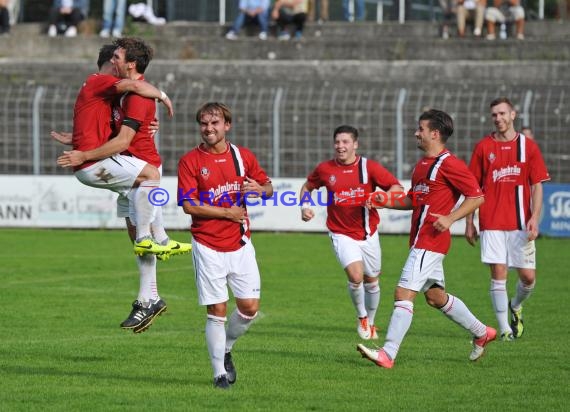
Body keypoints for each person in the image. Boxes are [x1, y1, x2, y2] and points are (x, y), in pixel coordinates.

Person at [55, 41, 191, 333]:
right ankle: (150, 296)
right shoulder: (118, 92)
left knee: (142, 236)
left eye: (118, 57)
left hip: (139, 169)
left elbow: (123, 140)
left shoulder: (136, 95)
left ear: (130, 65)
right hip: (124, 167)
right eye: (113, 56)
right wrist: (80, 137)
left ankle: (155, 262)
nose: (114, 62)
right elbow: (107, 126)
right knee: (137, 238)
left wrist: (162, 97)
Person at [357, 109, 496, 369]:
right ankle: (482, 332)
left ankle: (388, 353)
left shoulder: (451, 164)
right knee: (435, 297)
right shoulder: (422, 165)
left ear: (435, 133)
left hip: (431, 240)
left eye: (420, 129)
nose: (416, 133)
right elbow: (413, 200)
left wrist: (452, 218)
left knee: (402, 293)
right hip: (420, 239)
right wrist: (384, 201)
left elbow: (477, 196)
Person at [177, 102, 273, 389]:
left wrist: (260, 190)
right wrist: (226, 213)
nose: (209, 129)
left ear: (226, 126)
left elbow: (268, 187)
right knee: (217, 310)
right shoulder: (190, 161)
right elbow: (188, 205)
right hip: (207, 245)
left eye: (214, 123)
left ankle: (227, 347)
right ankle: (219, 373)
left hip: (240, 244)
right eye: (204, 124)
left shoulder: (242, 157)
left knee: (249, 309)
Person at [299, 125, 403, 340]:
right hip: (341, 233)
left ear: (355, 144)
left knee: (372, 281)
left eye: (345, 142)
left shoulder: (369, 168)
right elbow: (307, 187)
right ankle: (362, 316)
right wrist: (304, 207)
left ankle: (371, 322)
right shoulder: (325, 169)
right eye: (337, 142)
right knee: (356, 276)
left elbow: (396, 188)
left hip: (368, 233)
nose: (340, 146)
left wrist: (382, 199)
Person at [465, 97, 550, 341]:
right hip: (491, 222)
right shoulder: (483, 147)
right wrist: (469, 222)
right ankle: (504, 330)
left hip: (521, 223)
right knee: (498, 274)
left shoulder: (528, 147)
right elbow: (473, 188)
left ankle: (515, 306)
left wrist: (535, 217)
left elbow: (537, 185)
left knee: (528, 277)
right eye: (494, 115)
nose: (499, 118)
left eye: (503, 113)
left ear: (513, 115)